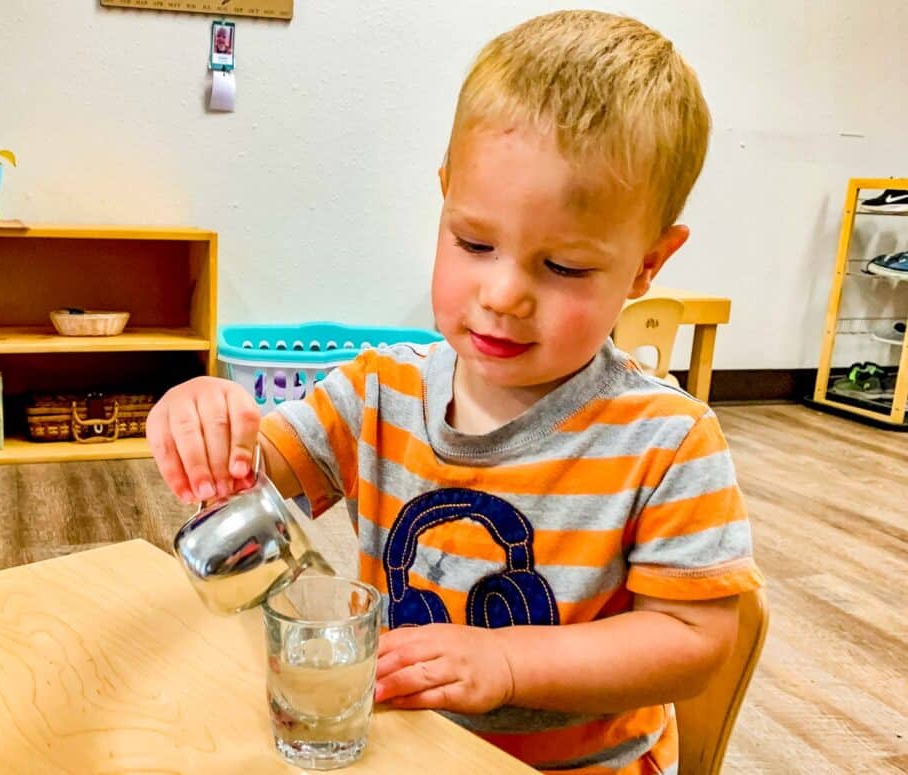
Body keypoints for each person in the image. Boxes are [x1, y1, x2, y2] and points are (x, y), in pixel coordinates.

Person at [147, 9, 764, 774]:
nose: (503, 294)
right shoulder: (378, 389)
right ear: (443, 197)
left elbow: (694, 642)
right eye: (474, 242)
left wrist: (509, 663)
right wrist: (205, 417)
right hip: (399, 744)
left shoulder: (668, 441)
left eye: (564, 267)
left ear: (649, 263)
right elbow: (254, 485)